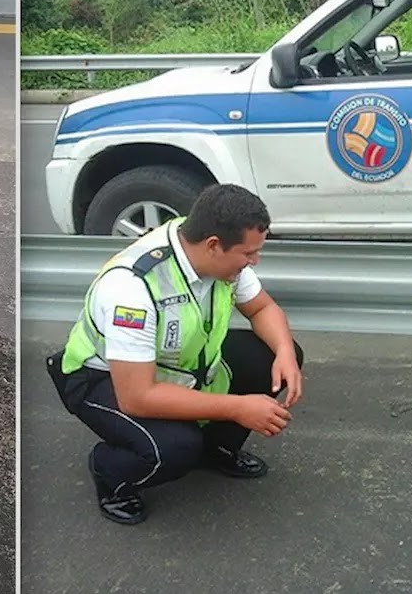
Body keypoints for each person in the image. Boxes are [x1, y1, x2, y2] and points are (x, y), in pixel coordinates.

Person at [45, 183, 305, 525]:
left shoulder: (208, 245)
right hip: (103, 379)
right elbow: (138, 397)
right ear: (214, 245)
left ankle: (216, 449)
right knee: (176, 446)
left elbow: (262, 309)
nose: (254, 261)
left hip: (176, 365)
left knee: (271, 358)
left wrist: (285, 351)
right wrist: (239, 408)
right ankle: (112, 474)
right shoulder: (132, 289)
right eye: (248, 254)